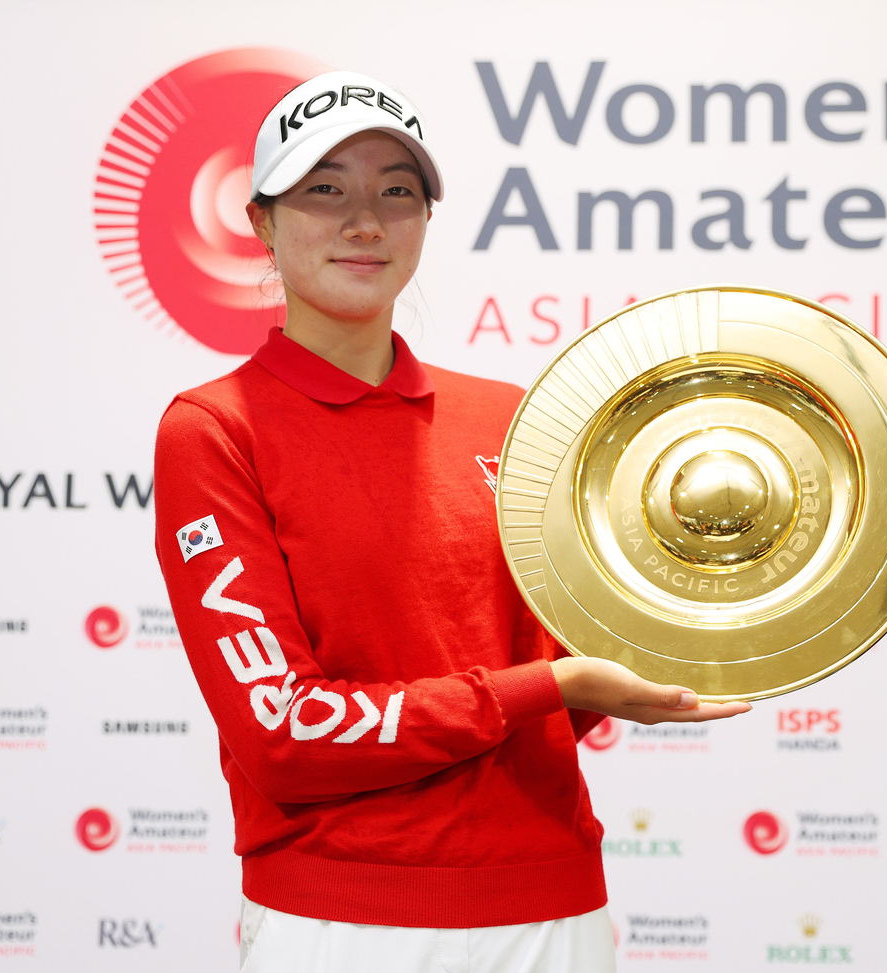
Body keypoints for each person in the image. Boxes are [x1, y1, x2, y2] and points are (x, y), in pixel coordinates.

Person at [153, 70, 750, 973]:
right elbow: (285, 734)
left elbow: (561, 669)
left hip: (551, 910)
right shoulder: (215, 427)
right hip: (339, 925)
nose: (365, 222)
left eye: (399, 192)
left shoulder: (512, 418)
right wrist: (548, 688)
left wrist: (673, 628)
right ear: (262, 223)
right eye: (326, 191)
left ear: (427, 221)